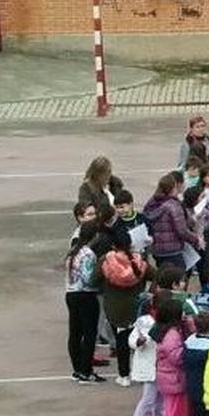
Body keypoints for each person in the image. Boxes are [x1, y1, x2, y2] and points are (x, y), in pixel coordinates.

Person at [124, 297, 171, 416]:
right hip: (149, 367)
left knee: (160, 402)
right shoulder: (145, 321)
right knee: (148, 401)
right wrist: (139, 341)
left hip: (160, 367)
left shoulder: (165, 321)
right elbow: (132, 339)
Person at [64, 222, 108, 383]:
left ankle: (77, 369)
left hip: (71, 294)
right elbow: (89, 279)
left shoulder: (73, 252)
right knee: (89, 334)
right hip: (86, 296)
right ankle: (86, 370)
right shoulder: (88, 254)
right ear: (95, 236)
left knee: (75, 332)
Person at [143, 173, 201, 278]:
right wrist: (196, 239)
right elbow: (182, 230)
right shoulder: (173, 205)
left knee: (163, 276)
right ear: (173, 188)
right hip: (173, 249)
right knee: (179, 278)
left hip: (157, 249)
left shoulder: (151, 203)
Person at [154, 301, 190, 416]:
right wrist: (187, 352)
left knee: (170, 413)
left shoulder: (164, 332)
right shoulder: (173, 335)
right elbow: (176, 356)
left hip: (167, 378)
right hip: (174, 379)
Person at [77, 156, 123, 224]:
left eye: (110, 171)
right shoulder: (86, 189)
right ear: (97, 174)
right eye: (106, 173)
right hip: (98, 225)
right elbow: (88, 212)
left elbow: (122, 201)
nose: (109, 175)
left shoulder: (115, 183)